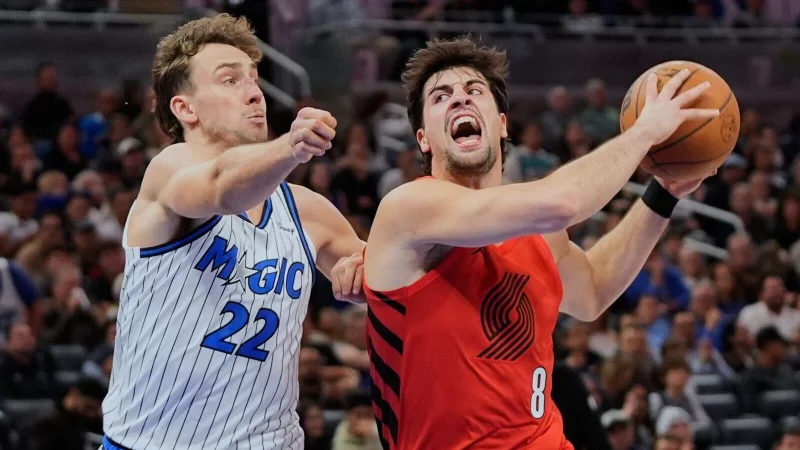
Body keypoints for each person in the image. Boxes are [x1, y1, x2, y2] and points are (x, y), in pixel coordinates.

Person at [362, 37, 718, 449]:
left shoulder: (536, 226)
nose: (460, 99)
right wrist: (646, 133)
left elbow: (592, 289)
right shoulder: (409, 208)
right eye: (441, 96)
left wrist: (663, 192)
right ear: (424, 139)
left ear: (502, 123)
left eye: (474, 91)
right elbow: (564, 201)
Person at [101, 14, 365, 450]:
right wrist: (291, 147)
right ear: (185, 108)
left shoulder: (305, 210)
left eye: (254, 78)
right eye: (229, 80)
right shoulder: (169, 170)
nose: (253, 91)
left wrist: (362, 278)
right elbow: (222, 188)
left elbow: (383, 278)